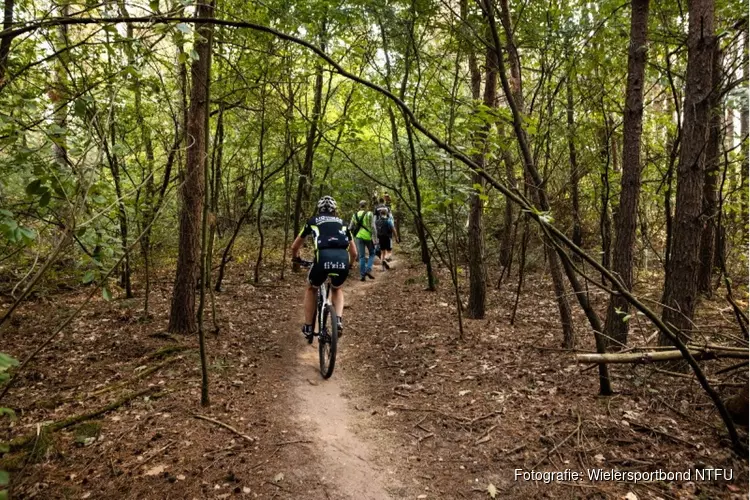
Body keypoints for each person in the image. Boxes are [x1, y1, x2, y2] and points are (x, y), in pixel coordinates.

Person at [291, 196, 357, 341]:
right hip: (342, 259)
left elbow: (295, 246)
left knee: (311, 288)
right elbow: (354, 252)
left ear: (319, 209)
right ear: (334, 210)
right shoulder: (343, 224)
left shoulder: (312, 221)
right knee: (337, 288)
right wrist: (350, 265)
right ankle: (338, 319)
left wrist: (296, 259)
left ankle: (308, 326)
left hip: (322, 258)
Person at [349, 200, 377, 281]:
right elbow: (373, 227)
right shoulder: (369, 214)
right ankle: (368, 269)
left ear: (359, 206)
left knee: (361, 256)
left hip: (358, 237)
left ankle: (362, 275)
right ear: (366, 206)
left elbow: (350, 227)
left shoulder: (355, 215)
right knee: (372, 253)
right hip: (367, 236)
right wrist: (375, 239)